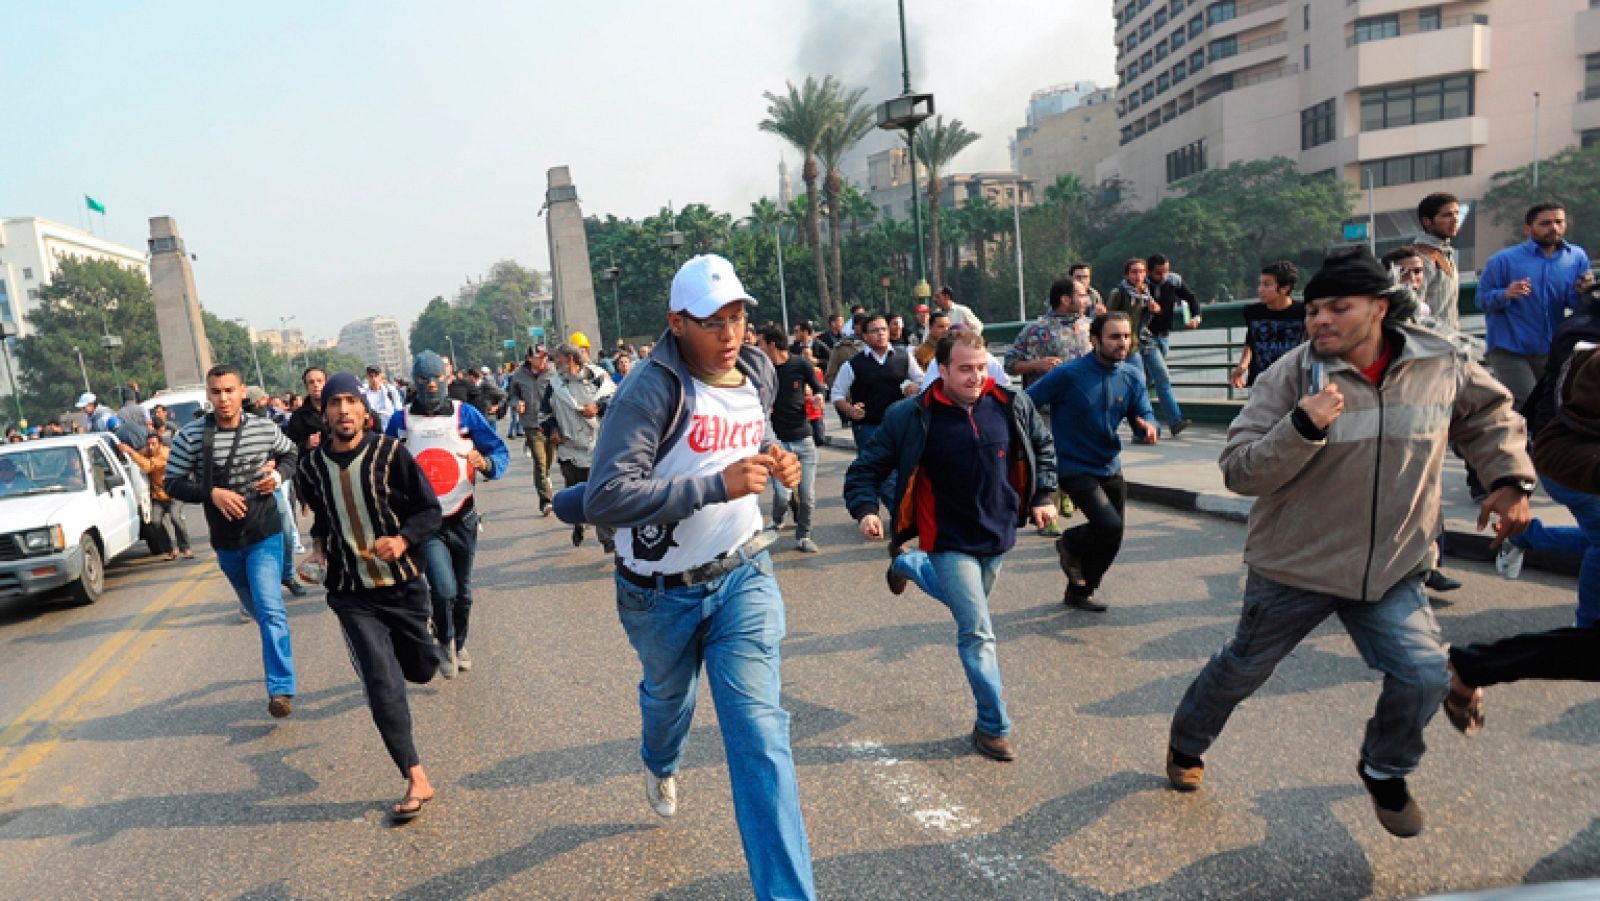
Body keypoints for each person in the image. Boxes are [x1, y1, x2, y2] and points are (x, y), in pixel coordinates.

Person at [1164, 246, 1534, 839]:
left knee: (1424, 675)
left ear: (1380, 308)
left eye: (1339, 307)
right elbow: (1238, 470)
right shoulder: (1290, 377)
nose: (1320, 320)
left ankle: (1385, 769)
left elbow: (1490, 417)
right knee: (1240, 670)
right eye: (1314, 310)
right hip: (1294, 567)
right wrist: (1302, 426)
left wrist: (1510, 479)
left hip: (1392, 564)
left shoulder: (1441, 362)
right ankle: (1186, 743)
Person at [577, 253, 815, 899]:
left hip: (742, 573)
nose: (729, 332)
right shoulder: (648, 391)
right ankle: (660, 761)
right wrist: (714, 486)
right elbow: (605, 497)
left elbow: (749, 436)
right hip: (660, 595)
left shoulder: (758, 370)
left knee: (761, 736)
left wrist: (777, 460)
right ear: (677, 322)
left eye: (737, 316)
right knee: (668, 701)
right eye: (712, 321)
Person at [845, 329, 1057, 762]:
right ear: (941, 370)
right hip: (946, 537)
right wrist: (866, 509)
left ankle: (907, 566)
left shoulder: (1011, 403)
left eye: (981, 368)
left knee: (968, 602)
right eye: (965, 369)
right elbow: (866, 469)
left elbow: (1043, 447)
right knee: (977, 630)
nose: (976, 377)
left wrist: (1044, 495)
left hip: (997, 533)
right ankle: (993, 726)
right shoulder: (911, 415)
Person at [297, 372, 444, 823]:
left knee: (422, 668)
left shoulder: (391, 454)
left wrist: (402, 540)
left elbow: (429, 510)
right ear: (324, 414)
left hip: (403, 585)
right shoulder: (310, 468)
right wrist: (317, 550)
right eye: (334, 403)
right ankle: (415, 775)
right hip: (351, 595)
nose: (343, 410)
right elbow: (324, 518)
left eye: (350, 401)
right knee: (382, 683)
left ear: (365, 410)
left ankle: (426, 641)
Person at [165, 365, 301, 718]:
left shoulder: (262, 428)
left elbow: (291, 454)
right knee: (260, 610)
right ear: (208, 396)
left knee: (270, 609)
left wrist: (278, 476)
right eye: (216, 392)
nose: (223, 398)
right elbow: (172, 483)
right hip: (226, 542)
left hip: (264, 533)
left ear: (243, 392)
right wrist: (211, 493)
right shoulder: (191, 437)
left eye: (229, 391)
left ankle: (281, 690)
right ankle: (277, 640)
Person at [387, 352, 508, 678]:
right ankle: (445, 639)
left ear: (447, 377)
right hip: (425, 523)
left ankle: (458, 641)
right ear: (415, 381)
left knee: (464, 592)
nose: (431, 385)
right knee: (444, 590)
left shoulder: (464, 414)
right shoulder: (400, 421)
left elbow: (497, 450)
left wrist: (486, 463)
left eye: (437, 378)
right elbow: (383, 465)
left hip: (463, 517)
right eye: (424, 379)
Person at [1027, 312, 1156, 611]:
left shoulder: (1131, 375)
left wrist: (1149, 428)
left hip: (1109, 464)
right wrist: (1037, 442)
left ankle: (1081, 591)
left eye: (1126, 336)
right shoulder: (1068, 374)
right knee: (1108, 525)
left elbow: (1144, 414)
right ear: (1095, 340)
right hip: (1074, 466)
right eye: (1114, 337)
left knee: (1113, 536)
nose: (1122, 343)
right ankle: (1070, 542)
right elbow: (1025, 403)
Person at [1478, 201, 1595, 407]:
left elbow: (1575, 303)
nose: (1554, 228)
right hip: (1509, 347)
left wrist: (1583, 292)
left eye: (1559, 222)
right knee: (1527, 403)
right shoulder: (1503, 260)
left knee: (1553, 404)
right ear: (1528, 229)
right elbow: (1481, 300)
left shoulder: (1576, 257)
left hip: (1550, 348)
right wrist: (1506, 294)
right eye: (1545, 223)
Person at [541, 342, 617, 552]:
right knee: (576, 495)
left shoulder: (598, 377)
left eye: (558, 359)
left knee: (599, 494)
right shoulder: (554, 385)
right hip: (569, 450)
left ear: (570, 359)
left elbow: (618, 401)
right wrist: (552, 430)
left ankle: (608, 539)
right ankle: (578, 524)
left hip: (598, 447)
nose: (555, 363)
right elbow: (544, 414)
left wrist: (598, 407)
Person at [759, 324, 825, 553]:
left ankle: (803, 536)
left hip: (803, 439)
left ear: (771, 345)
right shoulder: (763, 371)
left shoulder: (800, 364)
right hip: (778, 443)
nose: (758, 348)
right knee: (782, 495)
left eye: (760, 344)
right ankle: (777, 521)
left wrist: (818, 397)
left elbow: (818, 387)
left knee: (806, 495)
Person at [1108, 258, 1189, 438]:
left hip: (1138, 343)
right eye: (1134, 272)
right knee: (1128, 385)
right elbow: (1108, 319)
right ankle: (1126, 424)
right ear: (1126, 275)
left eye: (1141, 272)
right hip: (1121, 347)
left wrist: (1155, 309)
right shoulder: (1119, 293)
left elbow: (1156, 312)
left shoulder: (1145, 291)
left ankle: (1146, 426)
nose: (1138, 276)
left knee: (1141, 384)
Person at [830, 312, 922, 454]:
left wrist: (915, 387)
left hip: (900, 425)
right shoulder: (853, 364)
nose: (881, 333)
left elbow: (922, 382)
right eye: (875, 330)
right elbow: (837, 394)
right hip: (868, 427)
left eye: (883, 329)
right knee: (873, 466)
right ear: (865, 336)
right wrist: (850, 410)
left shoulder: (904, 357)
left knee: (902, 466)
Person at [1006, 276, 1094, 389]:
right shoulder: (1035, 330)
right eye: (1082, 296)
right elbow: (1009, 365)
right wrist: (1036, 365)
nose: (1088, 301)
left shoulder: (1091, 326)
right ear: (1065, 300)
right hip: (1049, 398)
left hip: (1086, 396)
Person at [1231, 261, 1305, 389]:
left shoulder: (1303, 312)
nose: (1260, 289)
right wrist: (1242, 366)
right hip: (1260, 383)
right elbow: (1251, 340)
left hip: (1294, 383)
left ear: (1285, 288)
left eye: (1266, 285)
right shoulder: (1252, 312)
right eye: (1260, 284)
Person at [122, 433, 192, 560]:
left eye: (154, 444)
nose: (151, 447)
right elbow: (138, 458)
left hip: (174, 494)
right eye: (149, 444)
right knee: (155, 521)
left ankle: (185, 548)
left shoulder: (165, 454)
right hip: (158, 496)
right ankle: (169, 550)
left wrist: (131, 451)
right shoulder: (149, 453)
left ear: (160, 445)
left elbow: (147, 466)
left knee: (175, 518)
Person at [506, 345, 557, 515]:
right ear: (529, 359)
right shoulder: (518, 375)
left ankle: (545, 478)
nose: (543, 360)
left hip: (551, 422)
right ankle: (545, 501)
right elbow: (512, 395)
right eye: (539, 357)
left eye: (545, 357)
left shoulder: (553, 372)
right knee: (540, 462)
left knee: (548, 460)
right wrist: (516, 403)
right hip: (531, 424)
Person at [1412, 192, 1463, 332]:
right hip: (1431, 339)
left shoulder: (1442, 252)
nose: (1455, 219)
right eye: (1447, 215)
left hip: (1448, 337)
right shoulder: (1421, 256)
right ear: (1427, 221)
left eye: (1457, 213)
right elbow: (1414, 306)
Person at [283, 367, 328, 460]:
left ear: (326, 383)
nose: (316, 385)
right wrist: (306, 445)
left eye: (319, 381)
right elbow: (289, 449)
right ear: (306, 387)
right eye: (311, 382)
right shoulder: (298, 417)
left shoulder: (339, 409)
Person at [362, 366, 405, 432]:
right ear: (367, 377)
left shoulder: (390, 390)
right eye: (371, 376)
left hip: (389, 428)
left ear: (380, 376)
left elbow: (398, 410)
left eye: (376, 376)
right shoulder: (363, 392)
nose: (374, 379)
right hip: (372, 430)